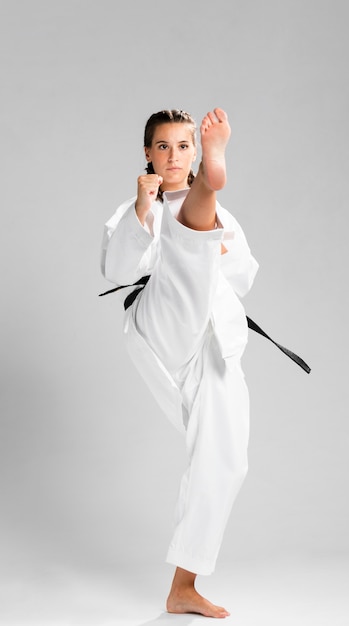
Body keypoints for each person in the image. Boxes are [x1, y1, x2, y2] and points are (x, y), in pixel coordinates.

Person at [101, 108, 259, 618]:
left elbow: (244, 279)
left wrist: (220, 249)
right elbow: (117, 271)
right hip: (162, 321)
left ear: (194, 152)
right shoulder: (133, 209)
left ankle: (183, 586)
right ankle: (204, 201)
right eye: (163, 146)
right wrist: (143, 215)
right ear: (147, 153)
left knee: (227, 460)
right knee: (185, 258)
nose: (173, 155)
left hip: (214, 344)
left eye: (185, 147)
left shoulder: (228, 220)